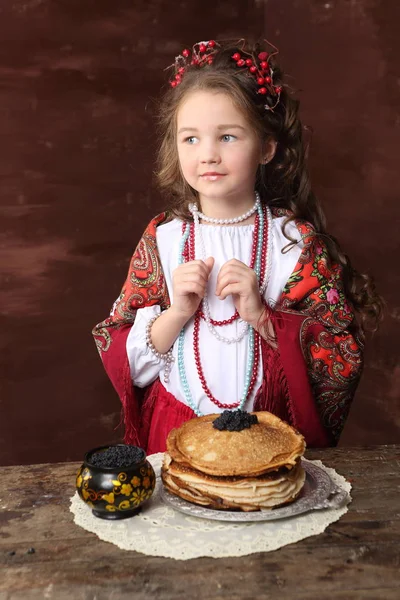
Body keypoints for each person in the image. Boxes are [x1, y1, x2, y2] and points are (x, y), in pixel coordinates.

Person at [92, 39, 382, 453]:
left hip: (269, 435)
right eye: (190, 139)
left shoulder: (295, 244)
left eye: (227, 136)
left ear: (266, 147)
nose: (207, 154)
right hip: (174, 434)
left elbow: (340, 359)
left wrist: (263, 316)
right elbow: (129, 367)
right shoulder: (164, 238)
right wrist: (176, 313)